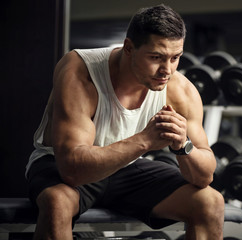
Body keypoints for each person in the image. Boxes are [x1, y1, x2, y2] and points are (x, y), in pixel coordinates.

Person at [26, 4, 224, 240]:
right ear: (129, 48)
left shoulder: (180, 90)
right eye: (156, 57)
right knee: (56, 202)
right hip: (61, 163)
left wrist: (183, 146)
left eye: (175, 58)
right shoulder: (81, 71)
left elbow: (204, 176)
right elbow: (72, 171)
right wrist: (144, 141)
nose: (167, 70)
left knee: (210, 202)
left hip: (127, 167)